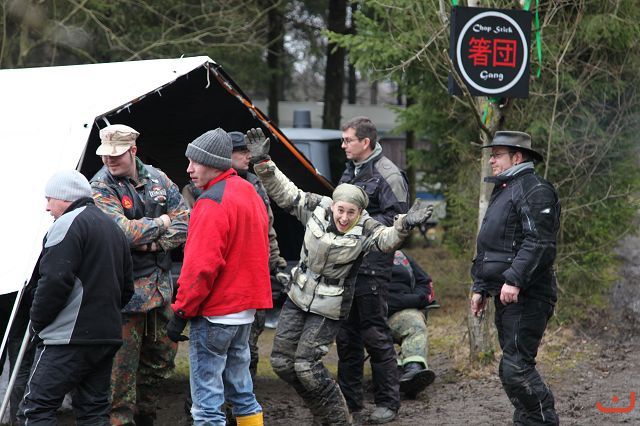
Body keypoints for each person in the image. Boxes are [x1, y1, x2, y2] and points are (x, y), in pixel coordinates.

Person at [242, 128, 433, 426]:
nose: (344, 218)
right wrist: (262, 162)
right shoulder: (317, 208)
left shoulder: (365, 228)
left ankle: (340, 417)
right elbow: (285, 191)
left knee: (308, 365)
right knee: (281, 363)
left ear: (360, 213)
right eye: (340, 210)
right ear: (332, 205)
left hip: (330, 304)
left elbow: (386, 239)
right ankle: (325, 410)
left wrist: (405, 224)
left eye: (351, 213)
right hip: (298, 295)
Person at [167, 128, 271, 426]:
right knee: (243, 394)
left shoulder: (211, 202)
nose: (189, 169)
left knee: (206, 407)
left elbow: (200, 268)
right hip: (244, 312)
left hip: (215, 314)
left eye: (195, 162)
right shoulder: (249, 192)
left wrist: (181, 312)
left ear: (213, 163)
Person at [90, 124, 189, 426]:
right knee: (120, 375)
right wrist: (162, 221)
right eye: (105, 154)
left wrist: (153, 243)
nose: (109, 160)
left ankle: (146, 415)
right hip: (125, 297)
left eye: (116, 154)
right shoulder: (100, 186)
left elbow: (186, 221)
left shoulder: (159, 179)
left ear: (133, 150)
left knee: (161, 361)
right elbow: (121, 232)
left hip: (159, 292)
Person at [17, 170, 134, 425]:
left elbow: (54, 280)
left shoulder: (66, 224)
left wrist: (37, 322)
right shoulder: (113, 228)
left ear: (65, 197)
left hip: (67, 338)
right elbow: (127, 288)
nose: (47, 207)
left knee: (35, 409)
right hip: (106, 336)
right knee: (93, 411)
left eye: (49, 199)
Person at [470, 131, 560, 425]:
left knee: (516, 369)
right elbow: (490, 246)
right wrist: (481, 287)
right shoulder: (505, 189)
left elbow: (540, 242)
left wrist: (516, 280)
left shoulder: (535, 189)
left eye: (497, 155)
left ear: (517, 157)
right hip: (507, 294)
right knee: (512, 367)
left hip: (529, 295)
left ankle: (542, 420)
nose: (491, 160)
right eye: (492, 155)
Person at [182, 130, 288, 379]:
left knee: (242, 359)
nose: (247, 156)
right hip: (219, 293)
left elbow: (267, 231)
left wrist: (275, 265)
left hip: (245, 292)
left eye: (248, 151)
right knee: (221, 372)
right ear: (222, 156)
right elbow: (198, 249)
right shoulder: (198, 191)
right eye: (241, 151)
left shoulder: (254, 187)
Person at [336, 116, 409, 424]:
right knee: (345, 337)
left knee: (375, 335)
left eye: (347, 140)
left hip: (373, 268)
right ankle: (349, 404)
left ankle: (388, 403)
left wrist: (358, 224)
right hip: (347, 265)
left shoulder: (388, 174)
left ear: (365, 142)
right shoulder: (351, 170)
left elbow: (399, 222)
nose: (343, 145)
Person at [387, 250, 436, 399]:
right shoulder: (358, 254)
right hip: (368, 314)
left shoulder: (400, 256)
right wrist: (408, 300)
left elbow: (425, 283)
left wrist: (416, 299)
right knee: (375, 333)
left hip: (400, 313)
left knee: (415, 322)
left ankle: (413, 371)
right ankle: (394, 371)